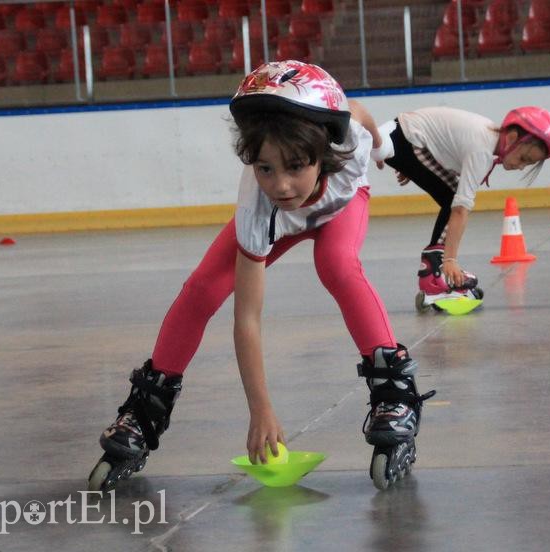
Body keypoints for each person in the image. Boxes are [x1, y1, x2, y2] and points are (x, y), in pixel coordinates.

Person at [88, 61, 432, 492]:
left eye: (294, 166)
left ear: (324, 149)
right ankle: (143, 411)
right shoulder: (258, 204)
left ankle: (395, 396)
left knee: (337, 264)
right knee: (201, 290)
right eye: (265, 168)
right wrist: (260, 408)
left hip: (341, 206)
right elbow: (247, 318)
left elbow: (357, 113)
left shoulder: (348, 142)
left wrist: (380, 145)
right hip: (279, 225)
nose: (281, 185)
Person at [374, 106, 550, 310]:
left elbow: (442, 140)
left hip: (405, 137)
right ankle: (434, 273)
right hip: (406, 139)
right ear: (512, 137)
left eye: (528, 163)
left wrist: (415, 167)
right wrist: (451, 260)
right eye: (524, 158)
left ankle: (435, 269)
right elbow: (460, 210)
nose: (522, 166)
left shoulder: (487, 138)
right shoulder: (481, 149)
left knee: (451, 194)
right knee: (453, 197)